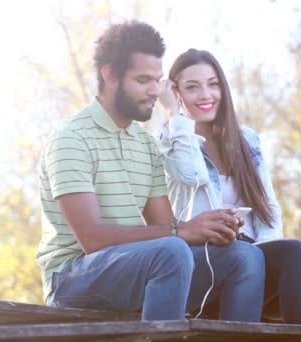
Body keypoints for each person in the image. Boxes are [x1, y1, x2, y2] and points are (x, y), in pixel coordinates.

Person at [37, 22, 265, 322]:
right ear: (110, 75)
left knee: (245, 257)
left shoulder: (145, 144)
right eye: (143, 80)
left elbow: (166, 226)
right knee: (171, 251)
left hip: (137, 267)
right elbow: (91, 239)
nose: (155, 91)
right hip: (71, 278)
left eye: (158, 80)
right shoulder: (71, 138)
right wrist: (181, 231)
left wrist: (207, 228)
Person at [157, 48, 301, 326]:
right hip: (210, 267)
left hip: (257, 258)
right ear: (175, 92)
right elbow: (191, 175)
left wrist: (268, 248)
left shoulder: (245, 138)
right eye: (192, 87)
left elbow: (268, 205)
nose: (205, 95)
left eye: (213, 84)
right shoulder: (168, 139)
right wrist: (174, 114)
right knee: (292, 252)